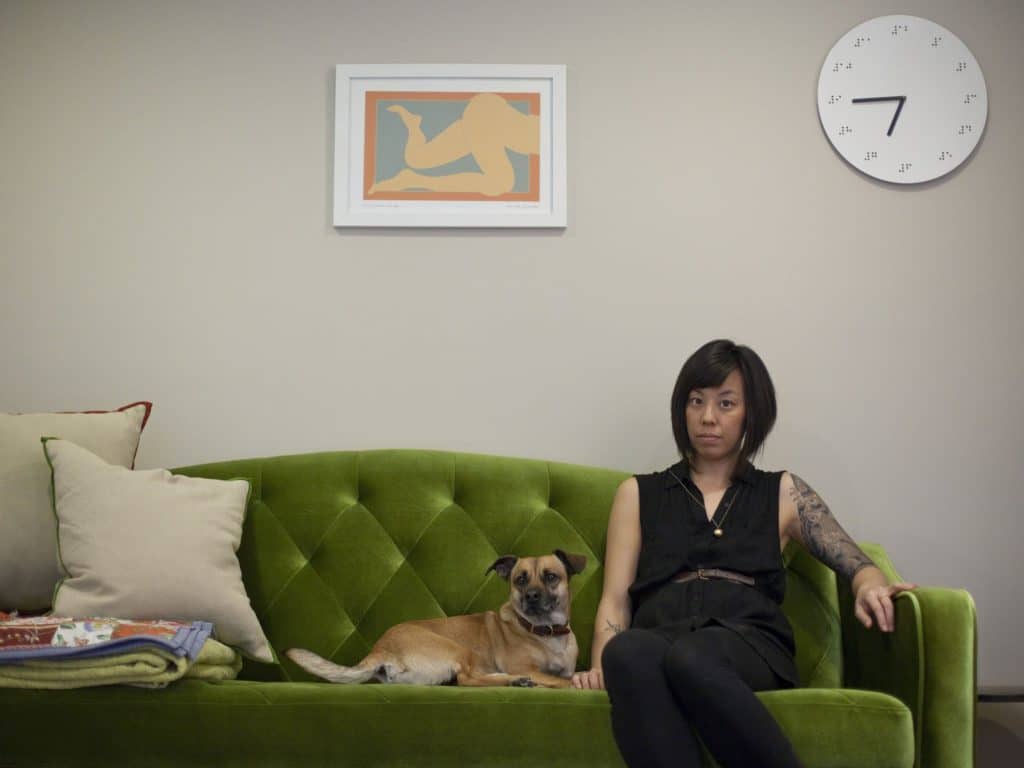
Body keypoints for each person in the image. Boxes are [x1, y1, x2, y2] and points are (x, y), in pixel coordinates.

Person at [570, 339, 916, 768]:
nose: (708, 417)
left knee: (692, 655)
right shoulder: (638, 493)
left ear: (752, 412)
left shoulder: (783, 491)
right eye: (696, 401)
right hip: (661, 631)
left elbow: (852, 559)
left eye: (726, 403)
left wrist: (869, 584)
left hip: (747, 639)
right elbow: (617, 598)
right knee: (626, 652)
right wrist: (602, 661)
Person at [369, 92, 539, 197]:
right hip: (490, 115)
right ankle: (413, 180)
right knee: (502, 183)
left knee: (416, 159)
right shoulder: (548, 133)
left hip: (485, 113)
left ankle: (413, 124)